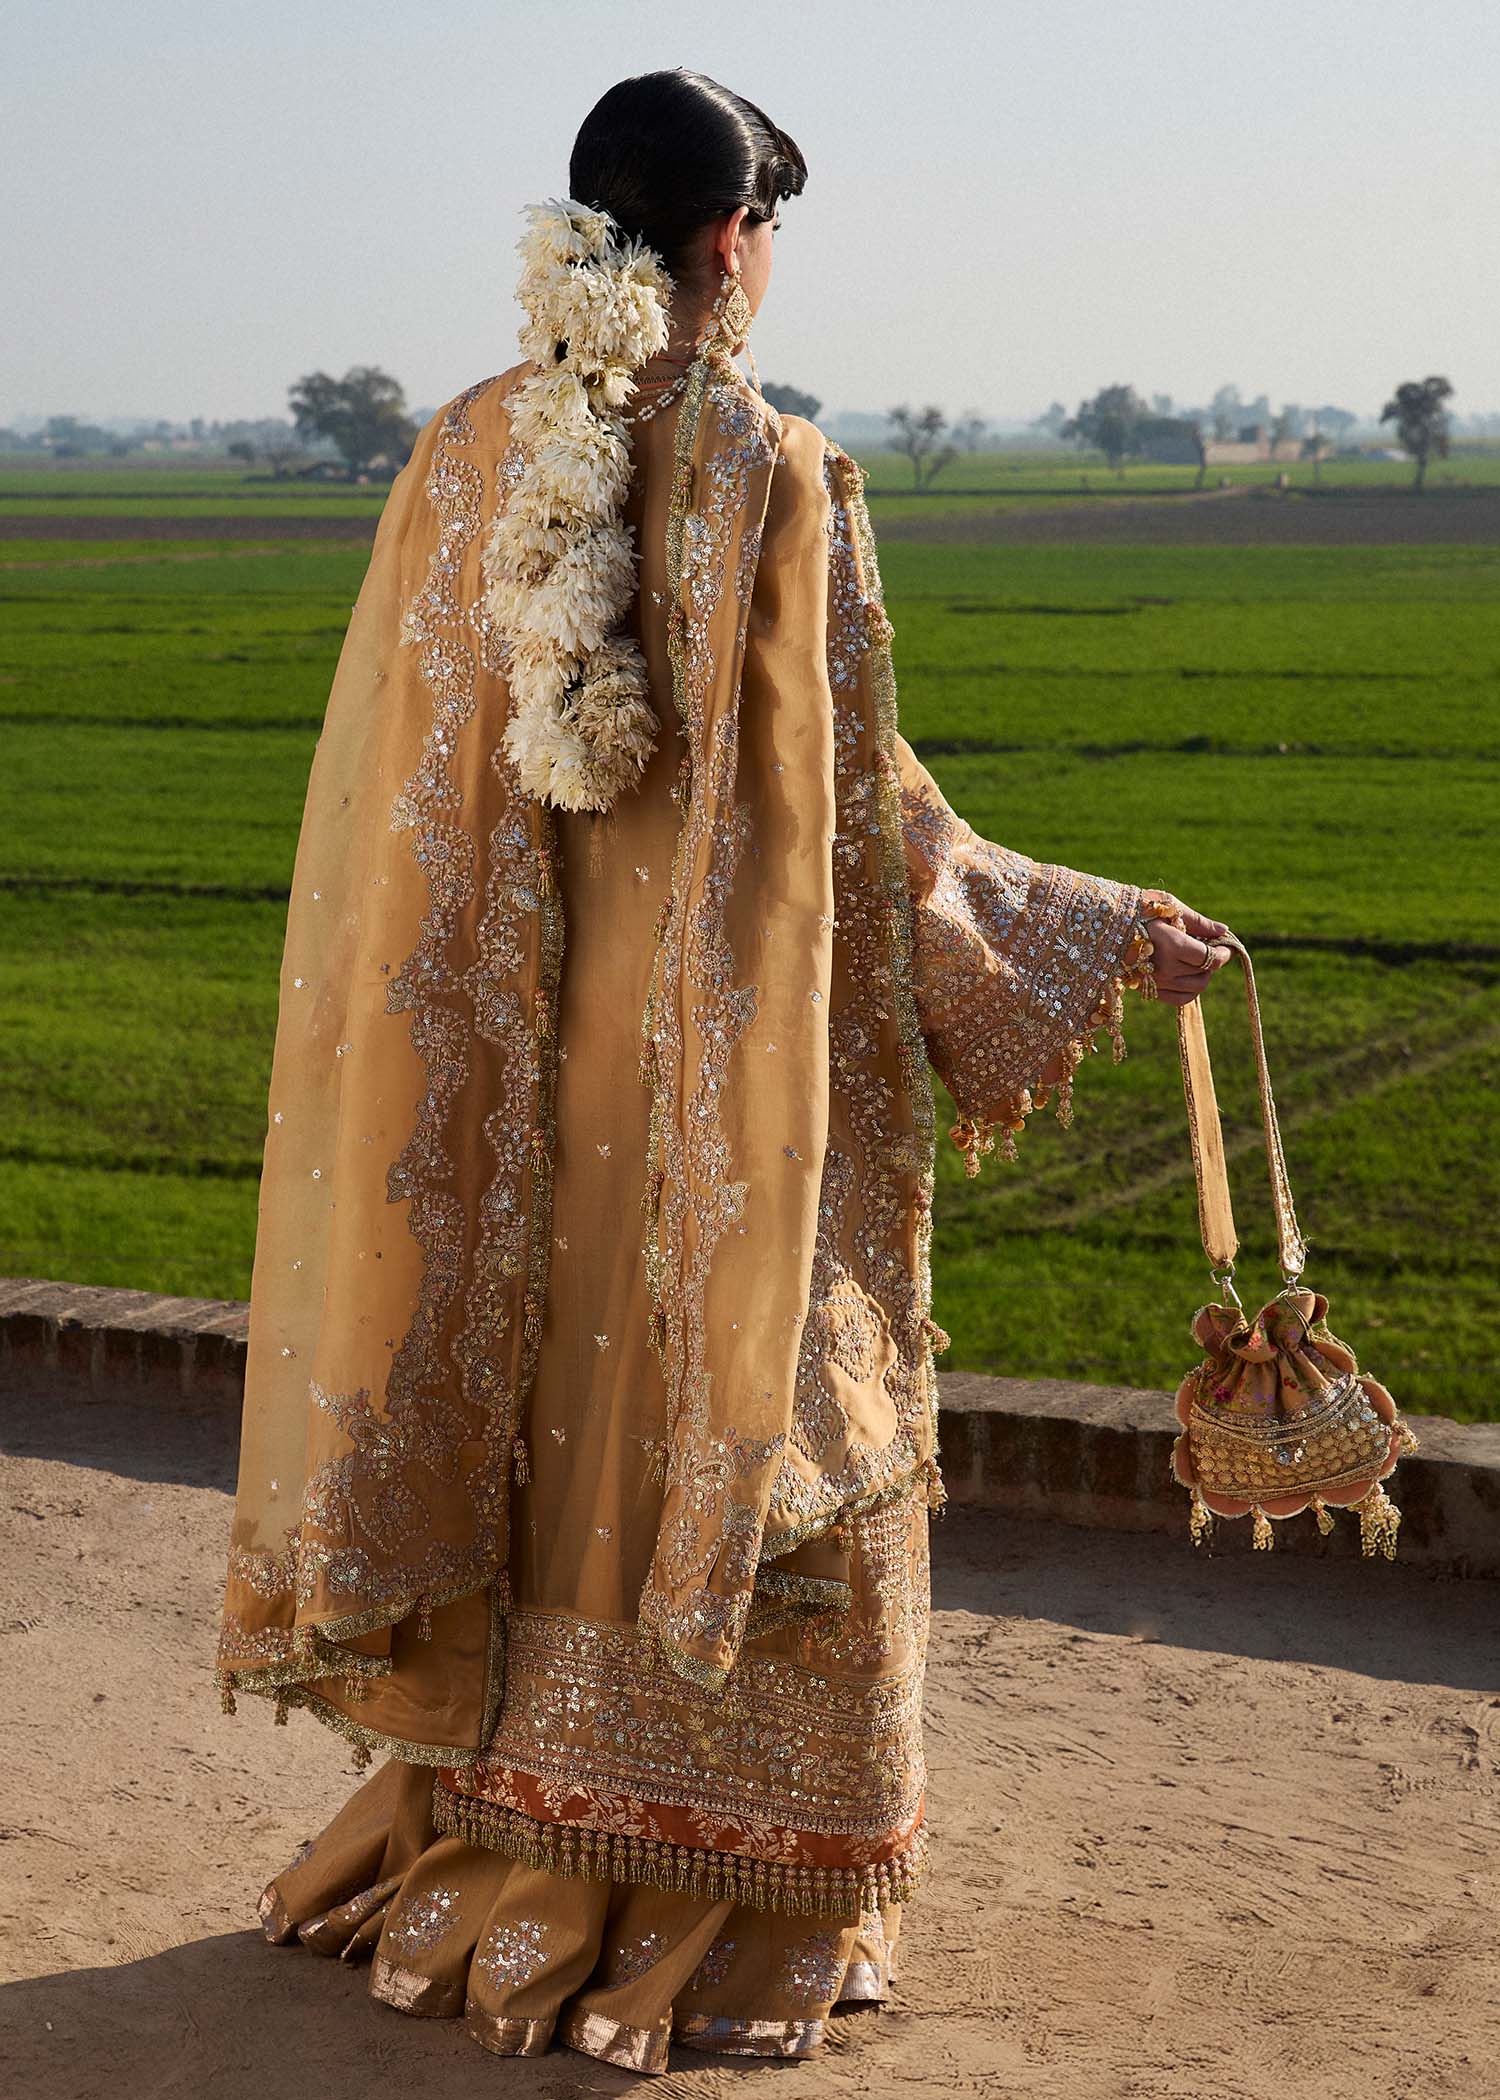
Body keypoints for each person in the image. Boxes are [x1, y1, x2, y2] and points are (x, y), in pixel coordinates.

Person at [216, 67, 1231, 2075]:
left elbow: (410, 805)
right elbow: (861, 832)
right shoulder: (781, 477)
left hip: (508, 1111)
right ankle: (703, 1883)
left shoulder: (458, 454)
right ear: (730, 245)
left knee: (528, 1418)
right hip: (711, 1095)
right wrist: (1097, 926)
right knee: (756, 1414)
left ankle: (488, 1850)